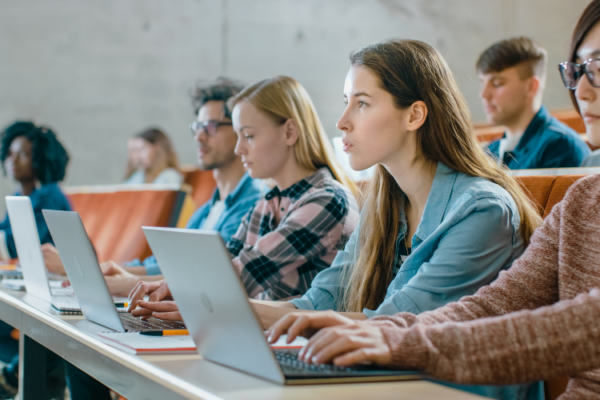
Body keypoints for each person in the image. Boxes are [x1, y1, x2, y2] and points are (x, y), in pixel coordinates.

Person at [128, 43, 542, 400]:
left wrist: (218, 308)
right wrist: (204, 307)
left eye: (361, 103)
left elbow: (398, 327)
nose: (342, 121)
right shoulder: (385, 204)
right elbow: (316, 304)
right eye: (345, 102)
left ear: (414, 115)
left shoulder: (483, 211)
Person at [266, 4, 600, 399]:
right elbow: (490, 308)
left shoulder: (483, 207)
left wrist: (393, 339)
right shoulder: (583, 202)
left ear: (415, 115)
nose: (581, 89)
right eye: (579, 70)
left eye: (597, 67)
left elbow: (570, 327)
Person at [129, 75, 360, 310]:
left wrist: (171, 290)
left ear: (289, 132)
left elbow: (242, 275)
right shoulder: (267, 203)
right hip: (260, 334)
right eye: (238, 137)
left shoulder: (328, 200)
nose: (239, 149)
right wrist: (165, 286)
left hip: (301, 343)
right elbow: (222, 263)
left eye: (248, 136)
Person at [0, 121, 71, 399]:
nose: (11, 160)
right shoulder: (21, 197)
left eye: (23, 155)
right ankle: (15, 374)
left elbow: (17, 244)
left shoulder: (50, 196)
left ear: (40, 160)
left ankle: (17, 376)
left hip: (53, 285)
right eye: (10, 153)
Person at [479, 37, 590, 169]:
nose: (484, 94)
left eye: (497, 83)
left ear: (531, 87)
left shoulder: (561, 148)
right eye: (482, 82)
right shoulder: (490, 151)